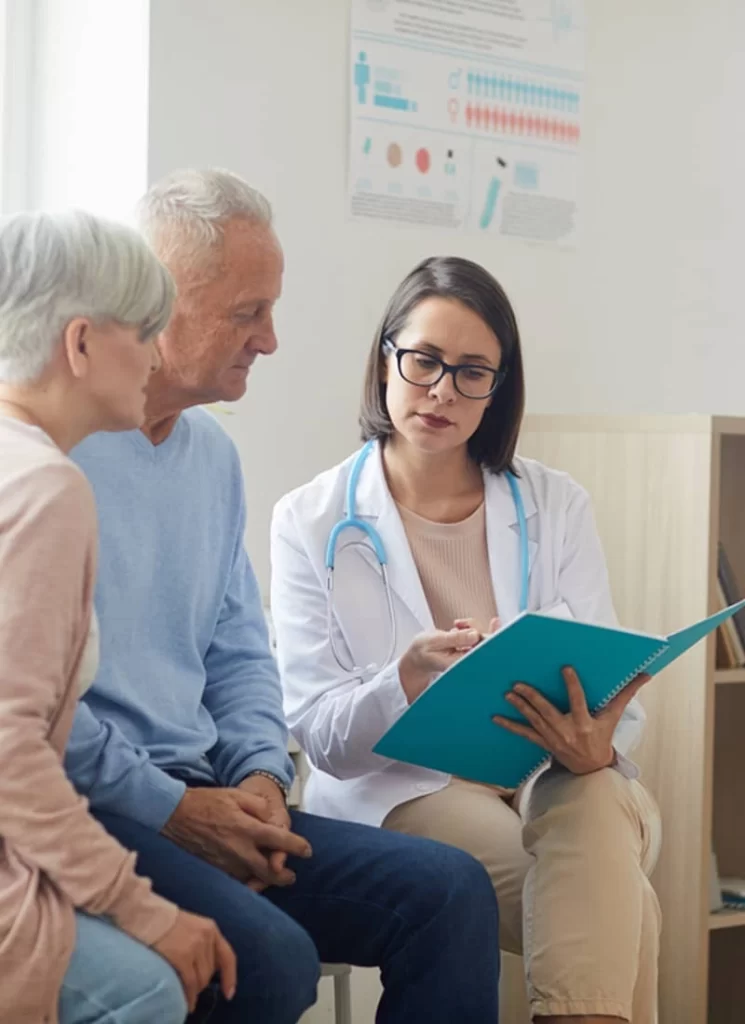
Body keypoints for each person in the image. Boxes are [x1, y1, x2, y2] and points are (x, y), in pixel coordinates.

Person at [65, 169, 501, 1024]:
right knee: (267, 960)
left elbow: (238, 653)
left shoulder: (210, 458)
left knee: (449, 891)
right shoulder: (56, 455)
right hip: (104, 805)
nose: (269, 339)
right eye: (247, 312)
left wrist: (261, 775)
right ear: (160, 299)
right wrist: (178, 810)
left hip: (213, 792)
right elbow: (39, 710)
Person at [270, 255, 663, 1024]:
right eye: (423, 361)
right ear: (384, 360)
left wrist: (598, 743)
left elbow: (615, 686)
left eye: (471, 372)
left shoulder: (555, 503)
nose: (442, 390)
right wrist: (402, 682)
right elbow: (320, 736)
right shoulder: (309, 519)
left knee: (595, 801)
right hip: (407, 790)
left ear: (498, 387)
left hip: (548, 774)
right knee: (619, 905)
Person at [0, 209, 236, 1024]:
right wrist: (143, 910)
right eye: (143, 333)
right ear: (80, 344)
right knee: (148, 988)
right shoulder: (45, 487)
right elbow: (8, 750)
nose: (156, 356)